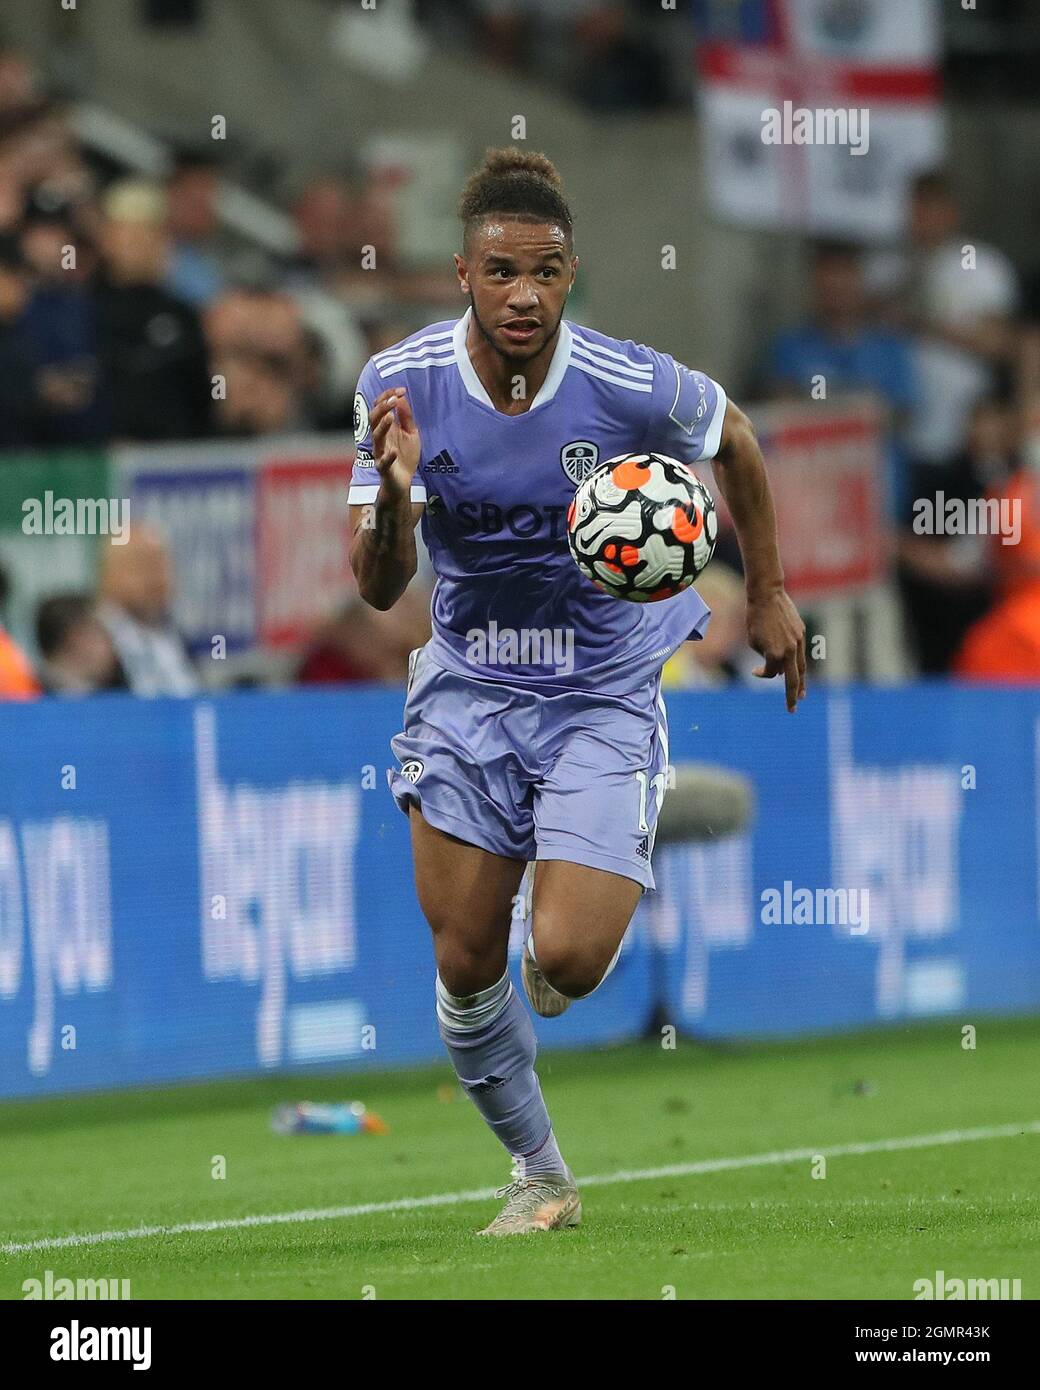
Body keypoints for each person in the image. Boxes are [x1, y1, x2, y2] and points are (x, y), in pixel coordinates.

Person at [348, 148, 805, 1235]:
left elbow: (733, 437)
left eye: (545, 272)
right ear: (461, 272)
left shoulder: (627, 382)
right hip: (464, 690)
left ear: (569, 273)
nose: (523, 295)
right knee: (463, 968)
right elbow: (373, 591)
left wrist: (773, 594)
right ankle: (541, 1173)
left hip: (599, 690)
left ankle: (583, 869)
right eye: (501, 271)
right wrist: (396, 502)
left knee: (563, 959)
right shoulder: (394, 386)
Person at [97, 525, 198, 696]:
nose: (156, 577)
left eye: (162, 564)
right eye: (142, 565)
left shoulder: (173, 637)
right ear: (109, 573)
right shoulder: (92, 645)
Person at [35, 592, 123, 694]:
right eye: (104, 633)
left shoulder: (119, 691)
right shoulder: (25, 695)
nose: (114, 645)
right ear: (76, 638)